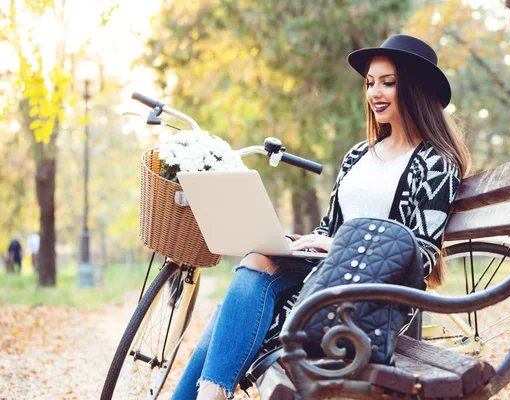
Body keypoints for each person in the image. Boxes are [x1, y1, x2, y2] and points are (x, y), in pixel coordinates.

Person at [172, 34, 470, 400]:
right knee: (256, 260)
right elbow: (330, 226)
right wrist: (300, 244)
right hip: (320, 279)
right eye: (370, 83)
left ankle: (211, 394)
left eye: (388, 83)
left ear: (416, 89)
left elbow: (420, 255)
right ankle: (212, 394)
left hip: (367, 298)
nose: (375, 93)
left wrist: (338, 246)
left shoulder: (435, 163)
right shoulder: (359, 155)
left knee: (228, 318)